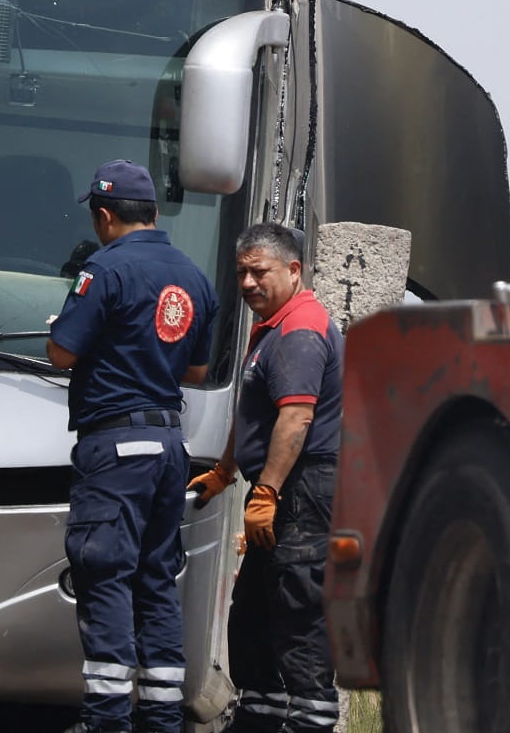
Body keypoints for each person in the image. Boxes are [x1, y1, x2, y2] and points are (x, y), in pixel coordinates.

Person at [46, 160, 217, 733]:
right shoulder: (194, 277)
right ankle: (163, 719)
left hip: (116, 443)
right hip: (171, 442)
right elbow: (195, 369)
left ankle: (107, 719)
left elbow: (61, 354)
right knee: (155, 576)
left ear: (103, 215)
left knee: (105, 574)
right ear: (155, 212)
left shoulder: (104, 270)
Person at [186, 223, 342, 733]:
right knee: (252, 614)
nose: (249, 283)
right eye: (241, 273)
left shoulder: (299, 329)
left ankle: (312, 721)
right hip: (283, 489)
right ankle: (259, 717)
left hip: (302, 491)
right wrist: (226, 470)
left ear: (294, 271)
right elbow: (255, 413)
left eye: (260, 272)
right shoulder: (274, 327)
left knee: (297, 613)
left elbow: (295, 419)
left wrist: (268, 490)